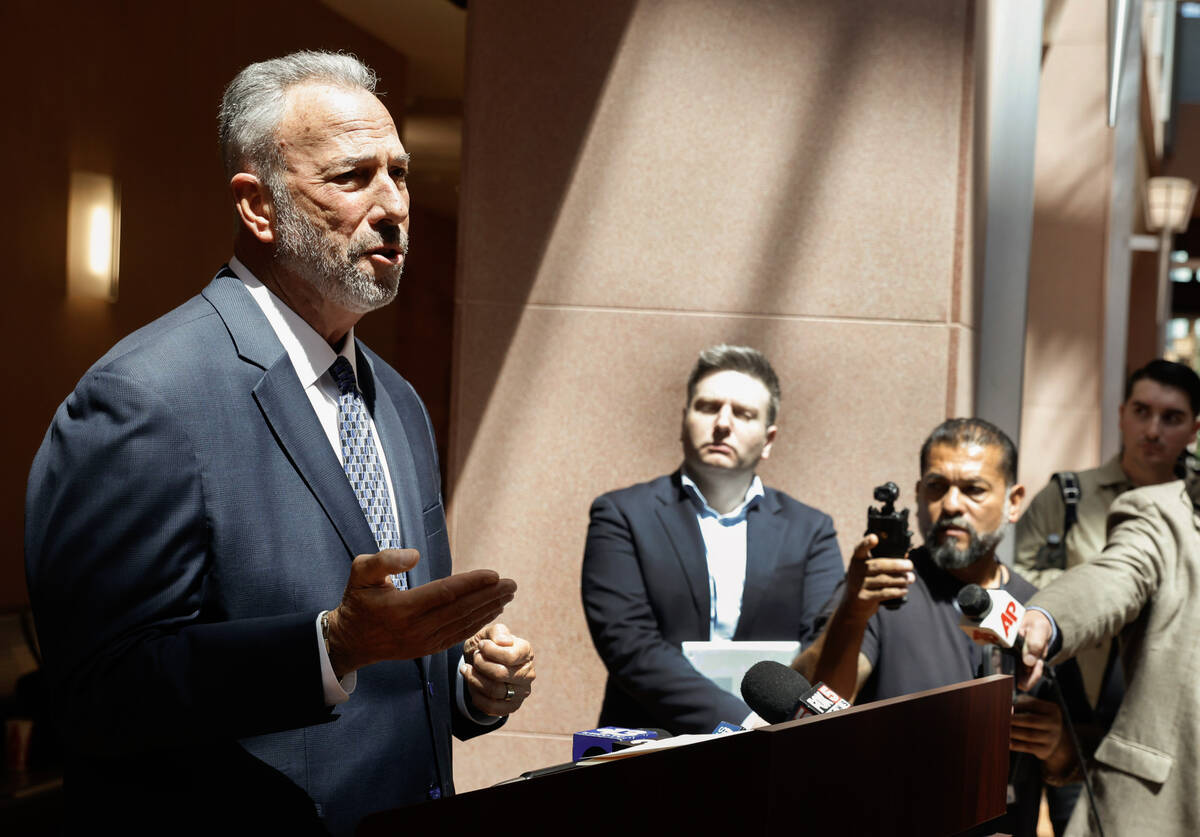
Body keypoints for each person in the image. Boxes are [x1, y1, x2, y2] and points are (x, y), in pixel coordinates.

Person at [24, 51, 534, 836]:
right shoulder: (147, 396)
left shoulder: (394, 398)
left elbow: (393, 656)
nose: (395, 204)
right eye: (353, 177)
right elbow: (100, 692)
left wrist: (467, 688)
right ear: (258, 207)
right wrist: (327, 644)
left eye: (399, 173)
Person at [794, 418, 1077, 836]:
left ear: (1014, 501)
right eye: (937, 486)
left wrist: (1057, 747)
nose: (951, 505)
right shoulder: (882, 590)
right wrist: (853, 612)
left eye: (973, 489)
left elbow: (1078, 762)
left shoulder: (1040, 612)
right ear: (917, 494)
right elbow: (813, 710)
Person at [581, 345, 844, 734]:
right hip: (648, 752)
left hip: (774, 750)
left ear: (769, 439)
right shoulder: (621, 514)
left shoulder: (811, 530)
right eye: (707, 407)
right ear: (683, 420)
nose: (723, 423)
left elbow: (822, 642)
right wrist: (739, 721)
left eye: (743, 413)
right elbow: (629, 645)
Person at [1013, 358, 1200, 832]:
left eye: (1171, 417)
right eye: (1141, 411)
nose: (1152, 430)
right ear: (1121, 414)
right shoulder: (1152, 512)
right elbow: (1114, 577)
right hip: (1083, 708)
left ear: (1193, 429)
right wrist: (1044, 620)